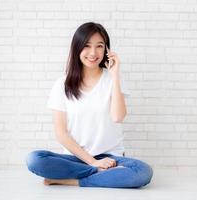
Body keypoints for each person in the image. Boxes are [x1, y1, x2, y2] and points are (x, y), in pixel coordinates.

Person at [26, 22, 153, 188]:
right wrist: (92, 162)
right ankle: (99, 175)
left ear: (106, 50)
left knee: (142, 172)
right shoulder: (62, 84)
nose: (93, 53)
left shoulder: (113, 80)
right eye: (87, 46)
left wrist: (115, 75)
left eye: (99, 46)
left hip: (110, 158)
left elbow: (118, 117)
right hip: (76, 157)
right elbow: (61, 133)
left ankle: (73, 180)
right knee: (35, 159)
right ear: (77, 48)